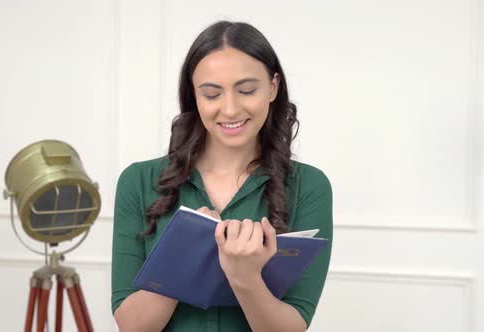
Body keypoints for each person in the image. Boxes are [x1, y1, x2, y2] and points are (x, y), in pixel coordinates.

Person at [111, 20, 332, 332]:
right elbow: (131, 326)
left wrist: (244, 276)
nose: (229, 109)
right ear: (194, 96)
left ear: (273, 87)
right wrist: (186, 253)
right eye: (212, 94)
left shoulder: (310, 186)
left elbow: (291, 327)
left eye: (246, 90)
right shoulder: (138, 181)